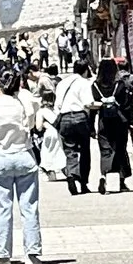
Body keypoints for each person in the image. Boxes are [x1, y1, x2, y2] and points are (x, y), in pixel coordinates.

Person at [0, 74, 45, 264]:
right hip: (23, 154)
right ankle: (32, 253)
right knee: (29, 207)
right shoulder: (23, 103)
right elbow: (31, 125)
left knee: (2, 209)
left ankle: (2, 255)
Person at [51, 61, 96, 195]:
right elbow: (88, 103)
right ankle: (83, 183)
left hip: (64, 118)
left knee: (69, 150)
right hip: (80, 117)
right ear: (86, 70)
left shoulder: (62, 83)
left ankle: (71, 174)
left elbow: (57, 105)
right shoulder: (84, 83)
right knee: (84, 151)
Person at [93, 59, 133, 193]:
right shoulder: (120, 84)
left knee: (106, 150)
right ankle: (121, 182)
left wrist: (90, 126)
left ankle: (103, 176)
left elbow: (93, 106)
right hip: (120, 120)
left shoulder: (95, 85)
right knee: (120, 149)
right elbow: (127, 105)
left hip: (104, 121)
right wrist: (131, 123)